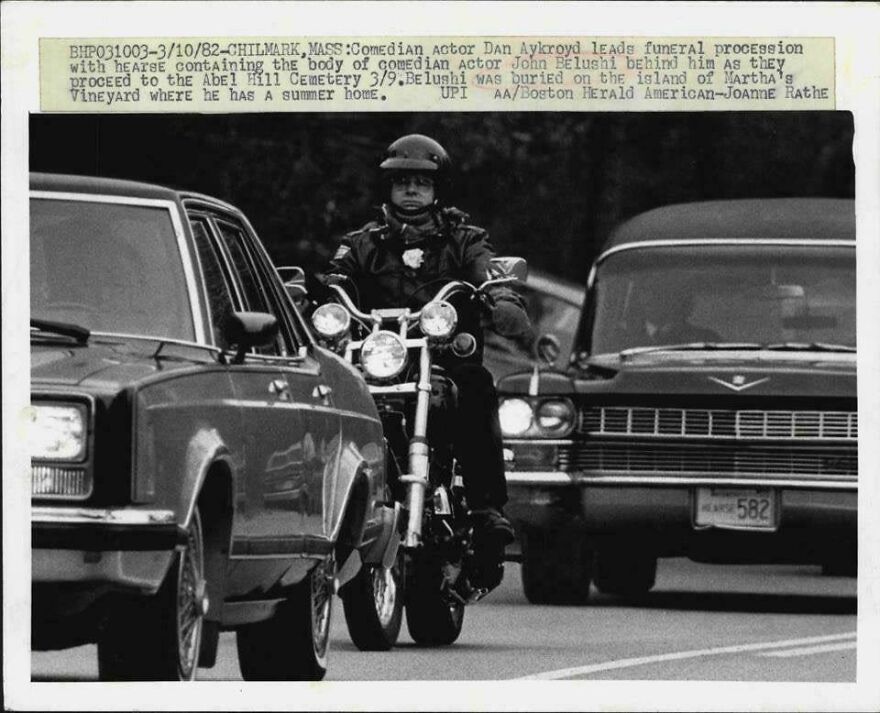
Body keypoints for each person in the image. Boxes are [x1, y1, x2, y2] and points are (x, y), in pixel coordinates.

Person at [318, 134, 532, 584]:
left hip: (442, 358)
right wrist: (313, 302)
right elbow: (332, 282)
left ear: (438, 189)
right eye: (401, 183)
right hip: (381, 357)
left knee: (474, 387)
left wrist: (502, 298)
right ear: (388, 189)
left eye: (421, 182)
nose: (411, 191)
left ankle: (485, 505)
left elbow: (489, 274)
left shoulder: (463, 238)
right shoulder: (361, 243)